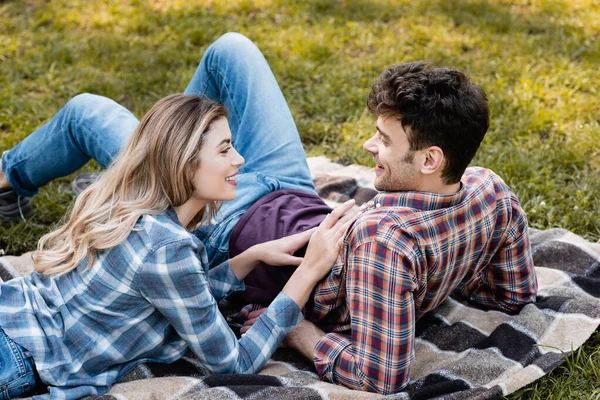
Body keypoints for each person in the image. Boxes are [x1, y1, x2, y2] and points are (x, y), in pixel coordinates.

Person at [0, 32, 538, 396]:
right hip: (291, 188)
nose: (367, 146)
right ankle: (176, 155)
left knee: (86, 112)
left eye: (382, 138)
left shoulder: (383, 243)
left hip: (224, 215)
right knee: (231, 48)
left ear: (428, 159)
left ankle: (36, 178)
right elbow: (511, 294)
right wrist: (448, 267)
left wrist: (299, 327)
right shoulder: (488, 191)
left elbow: (381, 371)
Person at [0, 93, 357, 397]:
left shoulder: (138, 206)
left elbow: (183, 295)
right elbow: (235, 362)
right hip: (18, 356)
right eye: (225, 150)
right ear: (186, 165)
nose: (240, 160)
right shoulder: (167, 248)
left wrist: (248, 259)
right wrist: (307, 272)